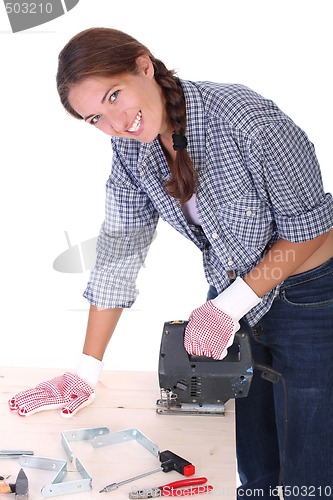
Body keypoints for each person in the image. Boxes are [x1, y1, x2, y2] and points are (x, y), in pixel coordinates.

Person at [8, 27, 333, 499]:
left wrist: (230, 304)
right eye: (96, 117)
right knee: (257, 469)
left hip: (311, 300)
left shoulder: (246, 120)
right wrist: (86, 369)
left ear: (144, 65)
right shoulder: (130, 151)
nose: (116, 123)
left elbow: (312, 227)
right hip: (235, 299)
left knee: (311, 474)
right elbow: (120, 252)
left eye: (114, 96)